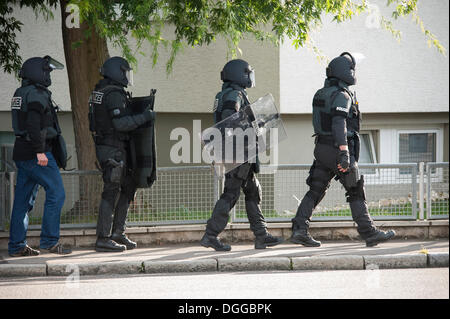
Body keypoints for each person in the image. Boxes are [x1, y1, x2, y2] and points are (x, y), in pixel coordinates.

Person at [290, 52, 396, 247]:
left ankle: (299, 229)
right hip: (336, 149)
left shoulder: (321, 92)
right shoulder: (342, 95)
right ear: (344, 73)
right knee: (355, 189)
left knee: (315, 189)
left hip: (321, 148)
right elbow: (339, 123)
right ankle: (369, 233)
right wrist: (344, 151)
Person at [200, 59, 284, 251]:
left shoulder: (226, 94)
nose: (250, 77)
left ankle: (261, 236)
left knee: (253, 191)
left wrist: (256, 125)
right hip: (238, 152)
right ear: (240, 74)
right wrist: (253, 127)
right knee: (230, 194)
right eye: (247, 73)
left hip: (239, 151)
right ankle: (210, 235)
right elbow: (230, 121)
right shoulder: (234, 95)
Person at [89, 56, 155, 252]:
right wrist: (145, 116)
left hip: (111, 147)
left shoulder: (100, 91)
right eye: (125, 71)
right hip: (112, 149)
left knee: (128, 187)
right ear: (117, 72)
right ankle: (103, 238)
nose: (127, 76)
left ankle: (118, 232)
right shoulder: (114, 93)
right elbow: (120, 123)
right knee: (111, 191)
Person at [8, 55, 72, 256]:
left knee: (22, 201)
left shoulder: (21, 93)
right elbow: (34, 125)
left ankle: (16, 246)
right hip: (37, 153)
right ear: (38, 73)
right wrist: (40, 151)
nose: (48, 75)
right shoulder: (37, 94)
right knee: (56, 193)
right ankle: (49, 242)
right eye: (46, 71)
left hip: (21, 152)